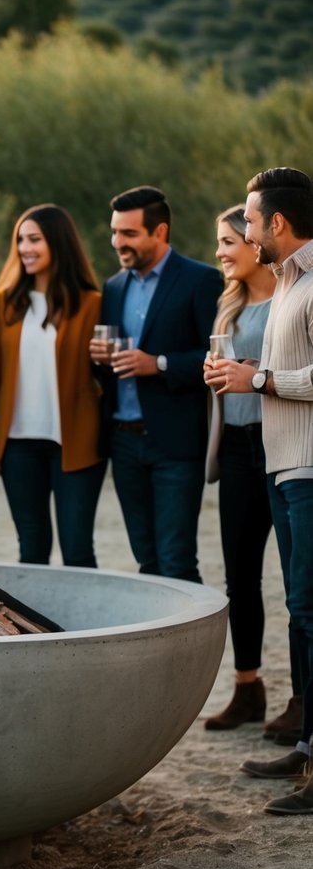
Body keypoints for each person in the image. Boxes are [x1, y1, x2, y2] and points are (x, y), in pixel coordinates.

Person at [206, 168, 313, 813]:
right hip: (281, 464)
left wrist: (262, 380)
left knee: (310, 607)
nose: (242, 231)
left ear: (276, 223)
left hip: (309, 467)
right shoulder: (291, 284)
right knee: (302, 611)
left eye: (248, 220)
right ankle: (306, 746)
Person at [91, 185, 222, 583]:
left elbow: (216, 357)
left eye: (129, 234)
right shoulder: (113, 287)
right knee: (146, 562)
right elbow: (112, 369)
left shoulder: (201, 281)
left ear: (160, 232)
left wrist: (159, 364)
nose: (118, 242)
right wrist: (98, 359)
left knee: (177, 559)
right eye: (115, 232)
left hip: (176, 445)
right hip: (124, 443)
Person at [0, 204, 105, 566]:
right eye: (20, 240)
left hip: (77, 443)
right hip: (17, 446)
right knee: (31, 548)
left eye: (34, 239)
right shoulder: (3, 303)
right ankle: (36, 626)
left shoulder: (92, 304)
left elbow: (103, 372)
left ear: (58, 243)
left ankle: (87, 625)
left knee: (78, 548)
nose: (24, 248)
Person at [202, 205, 278, 731]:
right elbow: (222, 380)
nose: (222, 253)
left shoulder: (291, 300)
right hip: (236, 448)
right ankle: (247, 688)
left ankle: (302, 705)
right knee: (241, 578)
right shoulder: (228, 309)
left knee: (300, 584)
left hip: (281, 447)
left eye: (230, 241)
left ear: (256, 243)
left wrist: (254, 374)